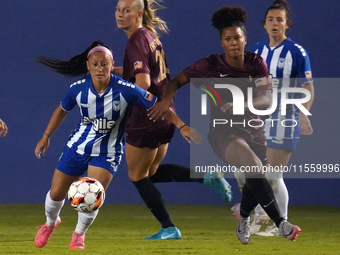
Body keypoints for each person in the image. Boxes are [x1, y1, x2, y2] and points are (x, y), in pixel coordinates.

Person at [148, 6, 302, 244]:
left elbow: (266, 98)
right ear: (222, 42)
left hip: (254, 132)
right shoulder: (209, 65)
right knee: (252, 165)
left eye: (237, 38)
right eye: (228, 39)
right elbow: (177, 80)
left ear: (245, 39)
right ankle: (282, 223)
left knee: (255, 178)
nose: (233, 43)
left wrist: (244, 105)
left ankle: (242, 214)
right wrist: (167, 99)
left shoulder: (256, 63)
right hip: (222, 132)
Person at [33, 41, 192, 249]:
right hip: (78, 146)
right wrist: (46, 136)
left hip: (107, 152)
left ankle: (79, 234)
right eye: (96, 64)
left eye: (104, 64)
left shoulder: (126, 89)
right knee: (56, 194)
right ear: (88, 65)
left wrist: (181, 126)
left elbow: (158, 104)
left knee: (92, 195)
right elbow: (62, 109)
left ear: (112, 65)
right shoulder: (77, 90)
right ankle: (50, 223)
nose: (100, 68)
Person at [115, 0, 232, 240]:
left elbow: (143, 83)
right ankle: (207, 177)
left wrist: (118, 97)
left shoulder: (136, 40)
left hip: (147, 115)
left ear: (139, 13)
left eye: (126, 10)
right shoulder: (149, 35)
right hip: (164, 113)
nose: (119, 14)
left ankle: (169, 227)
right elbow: (145, 74)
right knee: (152, 171)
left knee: (137, 176)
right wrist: (109, 71)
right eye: (118, 9)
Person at [234, 0, 314, 236]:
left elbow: (308, 87)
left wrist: (303, 113)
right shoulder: (257, 51)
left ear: (287, 24)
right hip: (257, 119)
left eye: (279, 19)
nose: (275, 23)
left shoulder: (296, 52)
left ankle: (280, 222)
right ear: (265, 24)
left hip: (285, 118)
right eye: (271, 19)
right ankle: (257, 211)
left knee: (272, 174)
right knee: (244, 172)